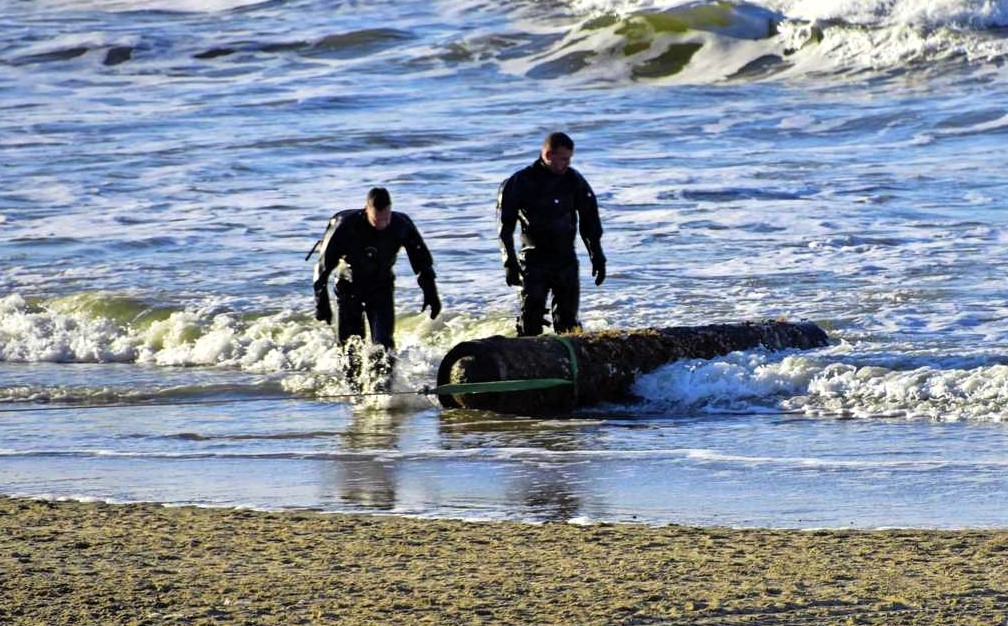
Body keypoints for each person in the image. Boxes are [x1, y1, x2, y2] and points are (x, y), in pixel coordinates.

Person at [497, 131, 605, 336]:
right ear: (548, 155)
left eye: (569, 159)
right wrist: (509, 262)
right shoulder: (518, 183)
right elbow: (504, 228)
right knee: (531, 318)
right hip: (534, 261)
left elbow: (590, 219)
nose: (567, 163)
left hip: (566, 260)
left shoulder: (573, 180)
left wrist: (596, 254)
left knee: (568, 321)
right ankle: (526, 361)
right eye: (564, 159)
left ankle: (570, 364)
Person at [312, 187, 441, 351]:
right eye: (376, 220)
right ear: (367, 211)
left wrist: (431, 293)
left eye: (385, 219)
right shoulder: (345, 226)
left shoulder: (401, 224)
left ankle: (387, 377)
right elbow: (322, 269)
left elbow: (421, 260)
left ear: (390, 210)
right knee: (351, 348)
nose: (382, 224)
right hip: (349, 287)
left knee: (384, 346)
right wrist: (321, 303)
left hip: (381, 287)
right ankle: (350, 376)